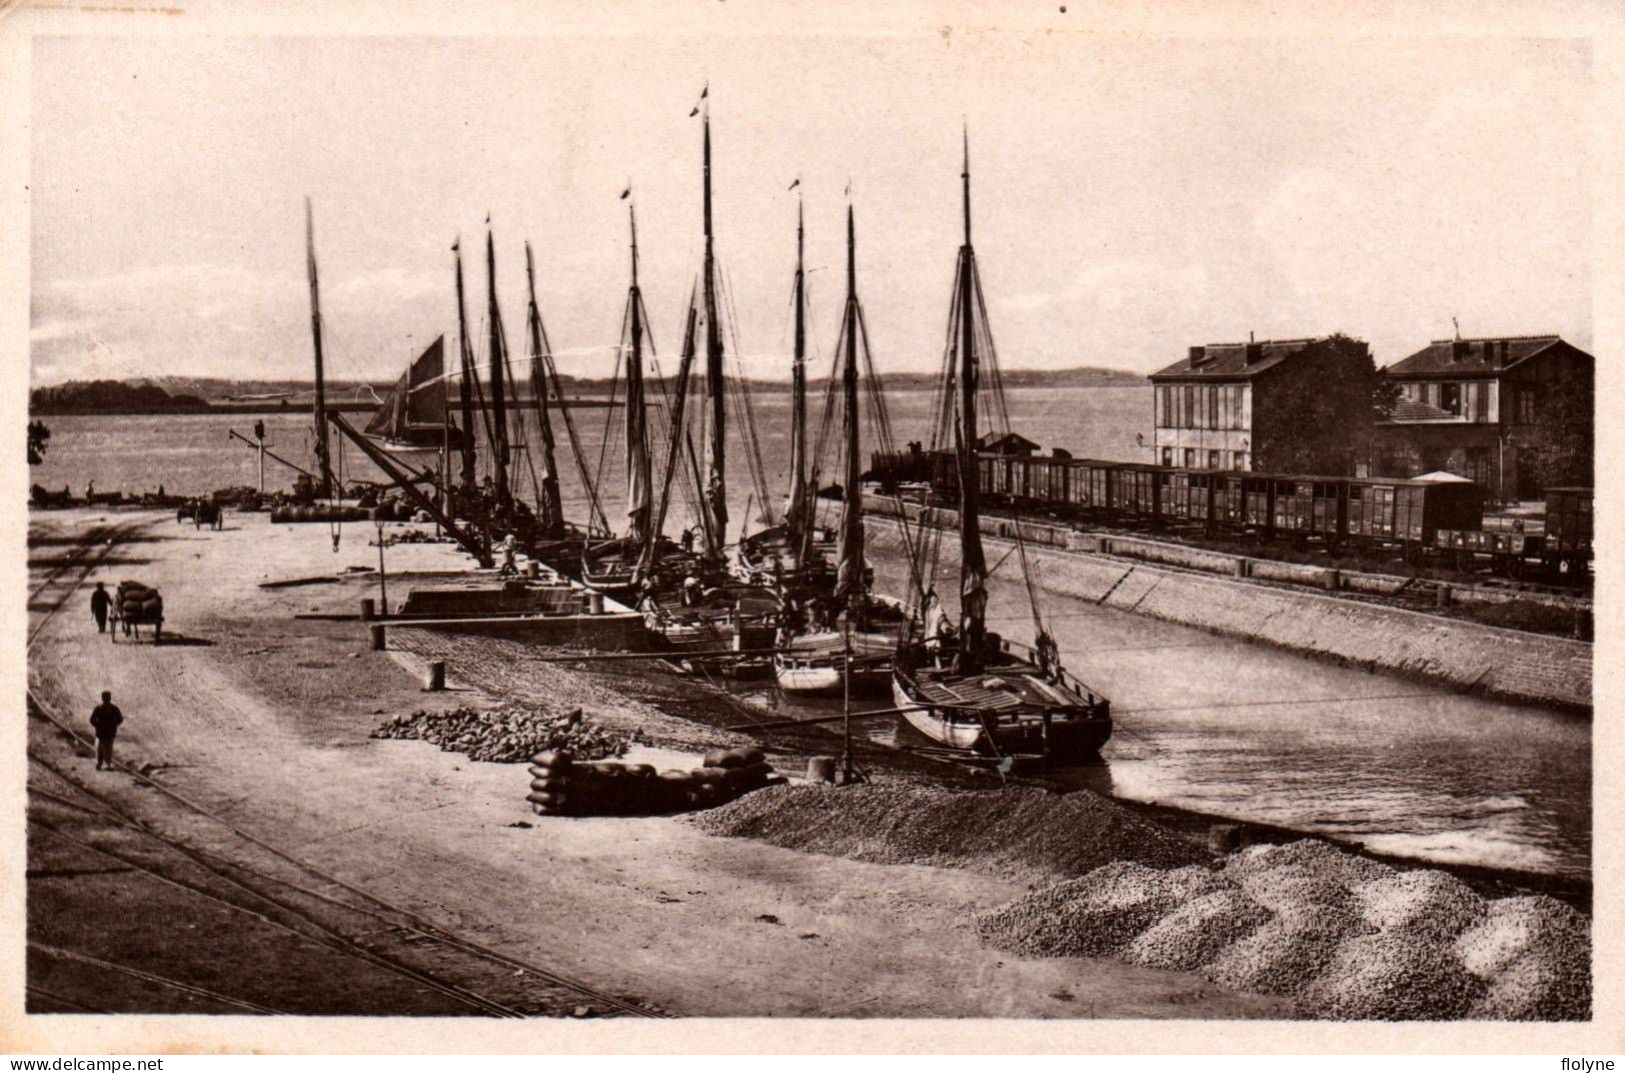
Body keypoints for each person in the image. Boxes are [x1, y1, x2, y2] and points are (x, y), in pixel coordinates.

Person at [89, 691, 123, 771]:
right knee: (108, 749)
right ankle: (106, 764)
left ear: (102, 698)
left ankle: (100, 764)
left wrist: (97, 725)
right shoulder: (114, 708)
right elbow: (120, 719)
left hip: (101, 733)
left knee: (100, 749)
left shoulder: (99, 708)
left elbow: (92, 720)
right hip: (109, 733)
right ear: (110, 698)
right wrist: (114, 725)